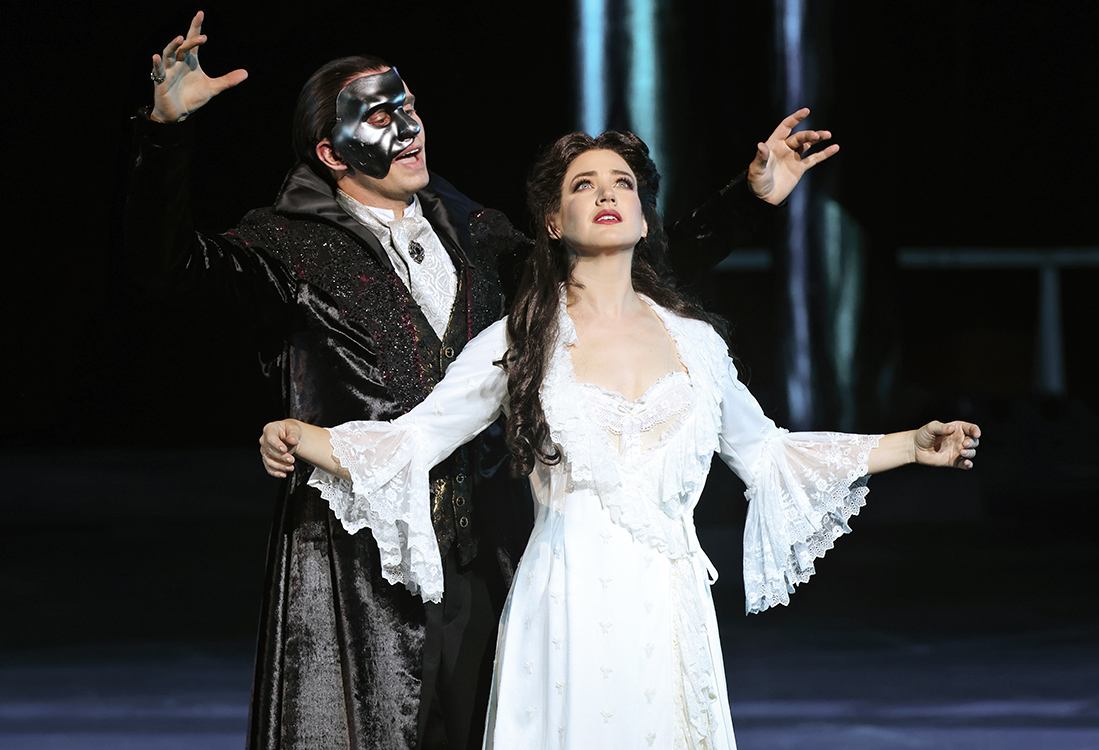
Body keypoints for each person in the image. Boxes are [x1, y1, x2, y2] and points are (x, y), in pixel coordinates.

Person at [126, 12, 840, 749]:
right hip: (359, 558)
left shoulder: (480, 236)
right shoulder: (289, 248)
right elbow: (169, 271)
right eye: (380, 116)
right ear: (331, 153)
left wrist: (748, 200)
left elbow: (619, 275)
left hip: (485, 551)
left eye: (408, 106)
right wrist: (165, 131)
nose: (408, 127)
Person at [259, 130, 981, 749]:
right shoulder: (521, 341)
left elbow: (769, 454)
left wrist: (910, 445)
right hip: (564, 607)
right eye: (583, 184)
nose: (606, 192)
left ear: (642, 216)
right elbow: (415, 441)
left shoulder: (696, 345)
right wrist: (299, 435)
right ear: (551, 221)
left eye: (622, 183)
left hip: (670, 610)